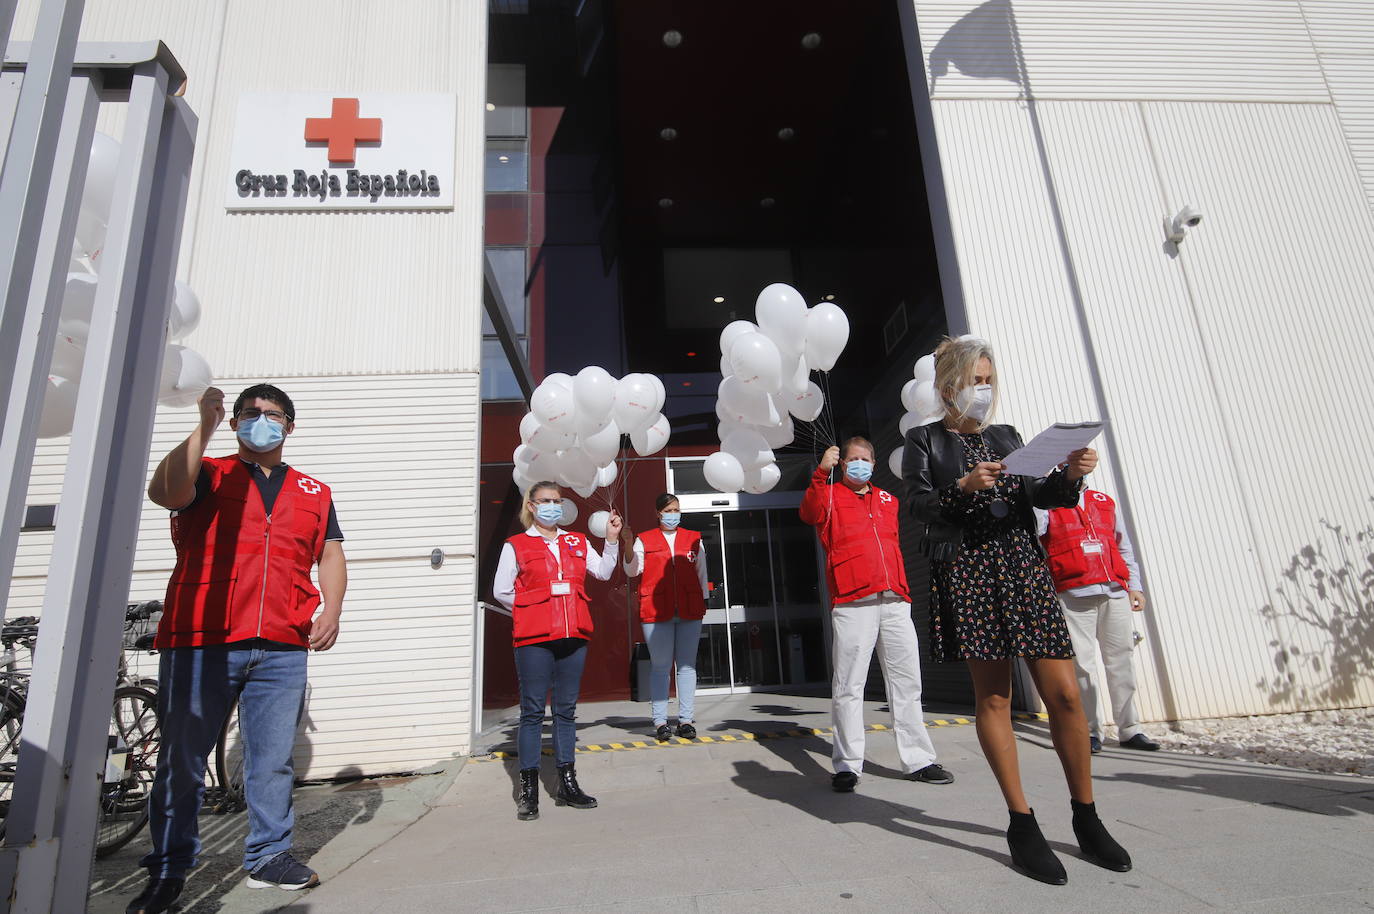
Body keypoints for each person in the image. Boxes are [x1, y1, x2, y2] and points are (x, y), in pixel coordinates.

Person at [903, 336, 1131, 885]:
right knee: (997, 696)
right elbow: (915, 504)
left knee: (1066, 694)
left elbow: (1041, 493)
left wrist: (1072, 473)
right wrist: (960, 485)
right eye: (972, 380)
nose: (982, 390)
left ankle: (1086, 816)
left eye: (987, 379)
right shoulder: (923, 440)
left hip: (1023, 565)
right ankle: (1021, 822)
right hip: (971, 570)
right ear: (946, 386)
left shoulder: (1007, 436)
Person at [130, 384, 346, 914]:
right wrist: (202, 424)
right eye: (250, 414)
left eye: (273, 415)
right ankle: (168, 869)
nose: (261, 421)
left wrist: (332, 610)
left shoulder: (315, 492)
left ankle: (269, 857)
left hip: (281, 643)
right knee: (182, 760)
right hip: (202, 640)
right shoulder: (207, 472)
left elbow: (332, 554)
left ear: (290, 427)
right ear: (235, 424)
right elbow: (165, 493)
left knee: (271, 762)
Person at [800, 436, 954, 793]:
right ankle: (847, 765)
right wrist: (821, 473)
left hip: (895, 599)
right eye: (853, 458)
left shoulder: (888, 499)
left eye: (865, 458)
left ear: (874, 462)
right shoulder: (829, 495)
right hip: (854, 601)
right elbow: (808, 512)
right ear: (842, 464)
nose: (859, 463)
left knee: (907, 682)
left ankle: (918, 760)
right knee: (849, 686)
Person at [493, 482, 621, 821]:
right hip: (534, 638)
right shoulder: (517, 545)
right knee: (533, 712)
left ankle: (567, 783)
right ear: (532, 506)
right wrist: (535, 610)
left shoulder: (576, 541)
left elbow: (604, 572)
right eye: (546, 501)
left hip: (573, 635)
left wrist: (610, 541)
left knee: (566, 711)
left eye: (557, 501)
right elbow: (502, 590)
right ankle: (530, 790)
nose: (553, 506)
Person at [1038, 488, 1160, 753]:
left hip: (1114, 590)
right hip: (1072, 591)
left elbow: (1122, 544)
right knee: (1082, 664)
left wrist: (1134, 585)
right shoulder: (1046, 501)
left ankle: (1130, 729)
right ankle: (1090, 730)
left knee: (1122, 659)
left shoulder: (1103, 501)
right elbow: (1035, 532)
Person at [622, 494, 707, 741]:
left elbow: (701, 571)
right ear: (658, 513)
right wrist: (627, 543)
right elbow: (631, 568)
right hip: (656, 611)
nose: (674, 514)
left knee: (687, 666)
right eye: (669, 510)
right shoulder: (644, 539)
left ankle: (686, 720)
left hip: (689, 609)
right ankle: (660, 721)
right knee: (660, 667)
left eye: (677, 509)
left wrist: (702, 599)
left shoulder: (694, 538)